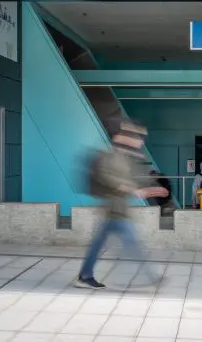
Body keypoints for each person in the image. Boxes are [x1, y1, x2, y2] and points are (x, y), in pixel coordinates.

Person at [75, 118, 169, 290]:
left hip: (117, 209)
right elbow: (106, 176)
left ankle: (85, 275)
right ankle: (151, 277)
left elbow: (130, 179)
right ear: (118, 136)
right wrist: (130, 189)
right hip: (113, 209)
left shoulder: (124, 156)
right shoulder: (108, 155)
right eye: (129, 134)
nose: (135, 139)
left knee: (98, 243)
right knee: (133, 242)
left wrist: (148, 189)